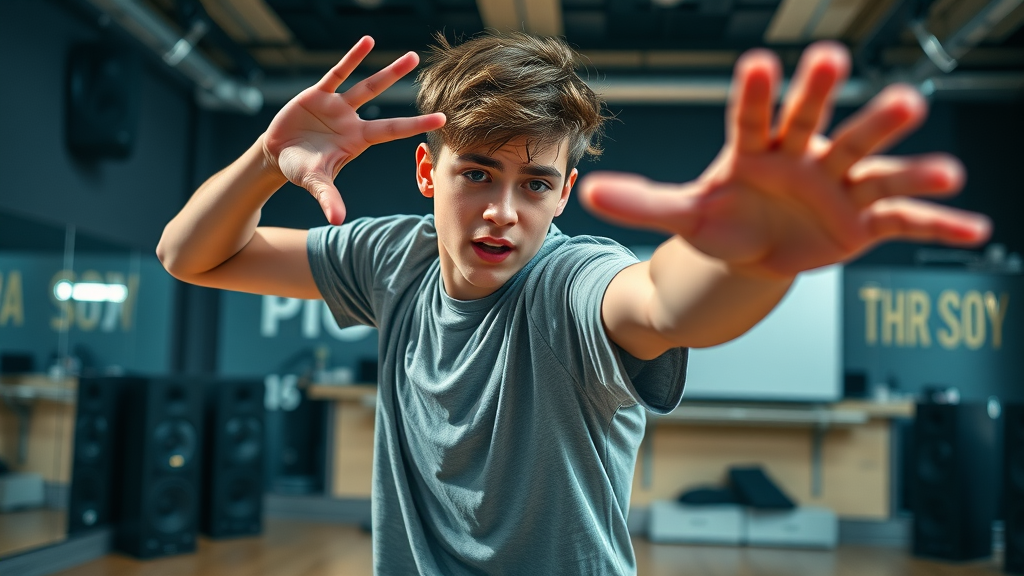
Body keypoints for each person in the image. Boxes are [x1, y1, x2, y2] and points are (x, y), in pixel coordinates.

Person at [157, 31, 990, 575]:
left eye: (536, 183)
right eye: (477, 171)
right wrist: (267, 159)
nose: (502, 212)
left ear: (564, 195)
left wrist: (757, 258)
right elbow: (188, 255)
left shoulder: (568, 282)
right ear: (427, 173)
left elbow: (664, 303)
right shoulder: (391, 257)